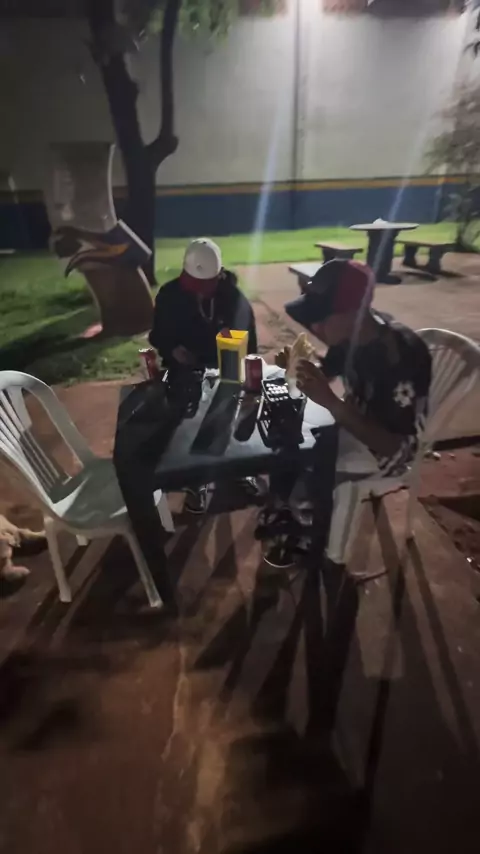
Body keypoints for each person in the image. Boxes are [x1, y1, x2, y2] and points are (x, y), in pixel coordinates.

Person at [257, 258, 432, 569]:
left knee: (315, 462)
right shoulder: (352, 335)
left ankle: (318, 540)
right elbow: (330, 368)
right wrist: (299, 369)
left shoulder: (398, 356)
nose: (315, 327)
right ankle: (294, 510)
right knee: (288, 435)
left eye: (321, 318)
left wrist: (331, 402)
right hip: (354, 418)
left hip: (392, 447)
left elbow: (392, 446)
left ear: (354, 313)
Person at [149, 238, 258, 513]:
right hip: (183, 370)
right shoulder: (169, 295)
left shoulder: (233, 298)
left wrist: (234, 344)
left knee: (233, 414)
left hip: (226, 367)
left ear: (218, 276)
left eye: (206, 284)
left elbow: (250, 343)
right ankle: (195, 479)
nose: (199, 291)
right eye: (194, 284)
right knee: (186, 424)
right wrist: (173, 349)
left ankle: (237, 469)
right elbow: (157, 335)